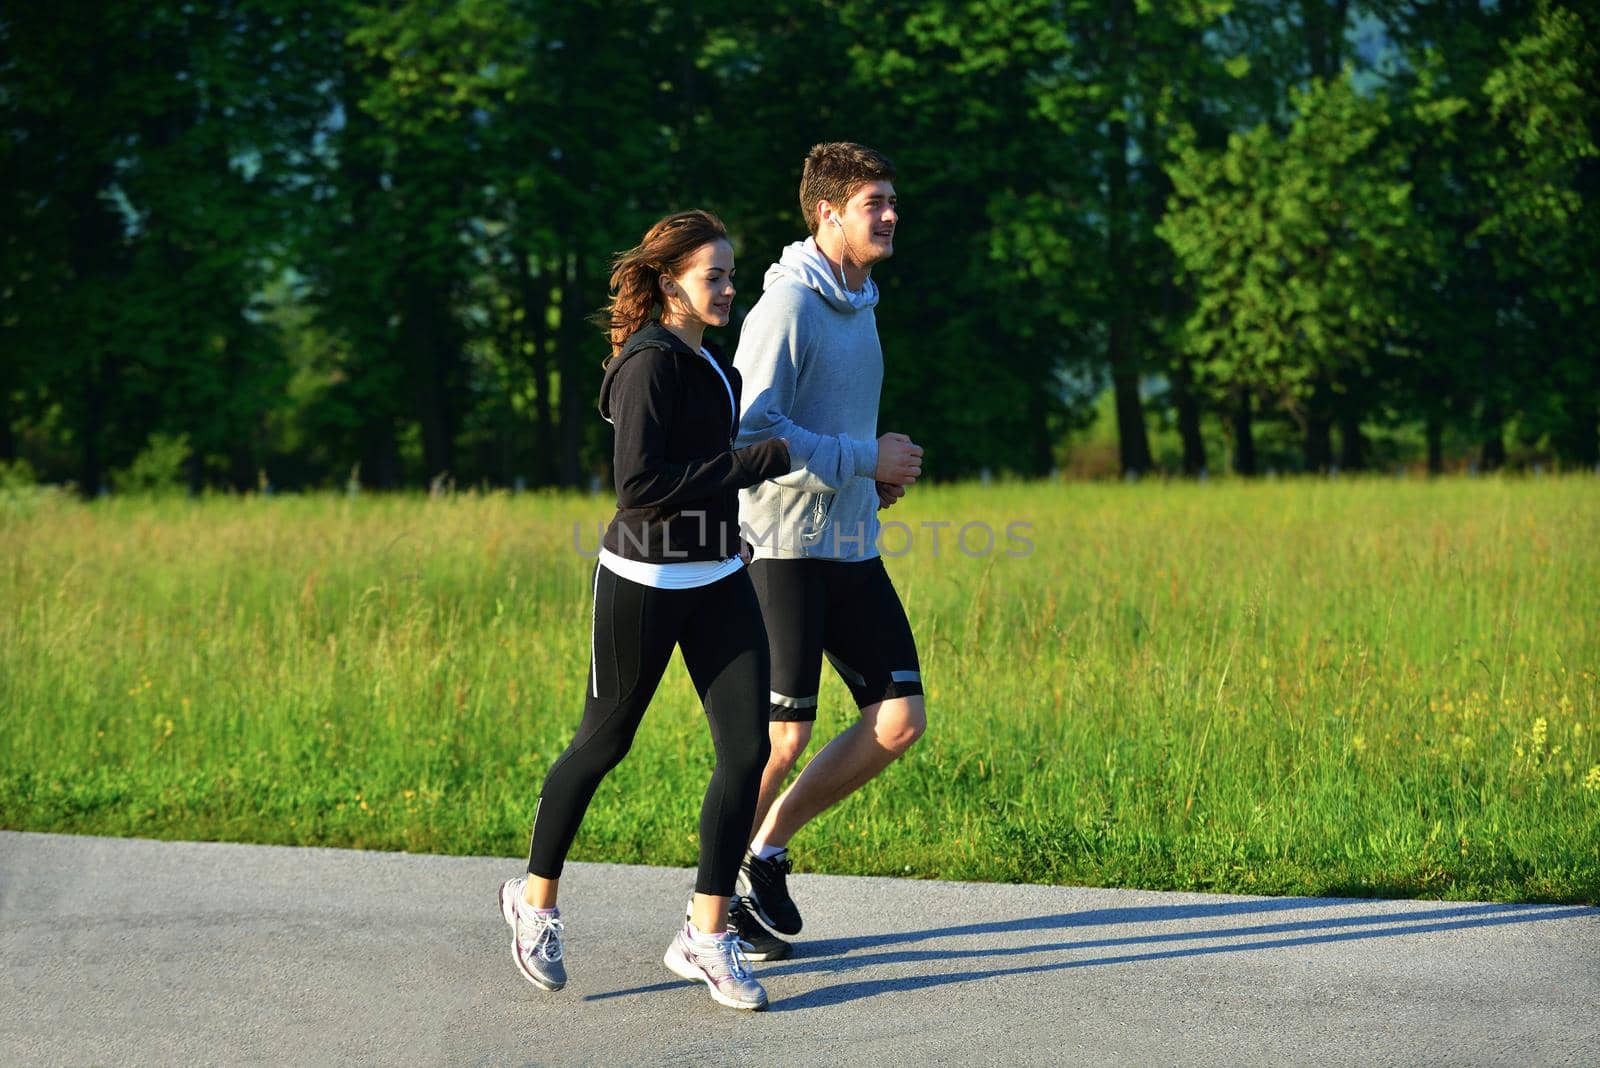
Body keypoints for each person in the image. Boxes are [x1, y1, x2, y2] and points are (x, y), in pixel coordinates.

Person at [498, 210, 792, 1012]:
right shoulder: (649, 365)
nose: (729, 289)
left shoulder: (711, 364)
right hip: (642, 584)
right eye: (715, 277)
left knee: (746, 750)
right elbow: (641, 486)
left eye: (733, 275)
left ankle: (705, 933)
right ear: (670, 283)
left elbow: (696, 482)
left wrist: (731, 531)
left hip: (717, 577)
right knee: (604, 743)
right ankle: (534, 902)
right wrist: (752, 463)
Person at [728, 143, 926, 958]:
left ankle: (762, 855)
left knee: (897, 720)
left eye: (890, 199)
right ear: (827, 213)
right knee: (779, 740)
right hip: (780, 549)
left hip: (849, 542)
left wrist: (869, 479)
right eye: (872, 201)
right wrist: (859, 459)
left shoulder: (860, 298)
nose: (887, 213)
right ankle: (708, 912)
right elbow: (752, 431)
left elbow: (833, 426)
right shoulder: (785, 308)